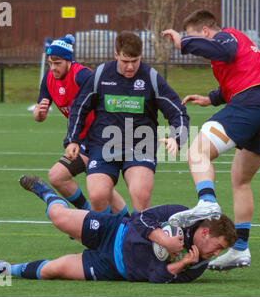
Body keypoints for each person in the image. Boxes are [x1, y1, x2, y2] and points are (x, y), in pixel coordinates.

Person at [161, 10, 260, 270]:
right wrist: (211, 98)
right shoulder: (239, 45)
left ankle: (206, 201)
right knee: (240, 181)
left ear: (206, 31)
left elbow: (225, 52)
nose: (201, 45)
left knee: (196, 151)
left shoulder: (227, 36)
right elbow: (240, 75)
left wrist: (183, 42)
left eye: (197, 37)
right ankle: (240, 249)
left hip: (250, 106)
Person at [0, 175, 236, 283]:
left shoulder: (197, 265)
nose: (215, 254)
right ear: (205, 233)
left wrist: (180, 265)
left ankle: (4, 269)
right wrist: (163, 241)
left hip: (111, 267)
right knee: (57, 216)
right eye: (219, 247)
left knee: (55, 269)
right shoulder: (182, 215)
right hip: (113, 231)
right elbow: (140, 218)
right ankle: (44, 191)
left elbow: (157, 279)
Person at [63, 31, 189, 213]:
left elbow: (177, 110)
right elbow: (79, 107)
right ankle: (110, 237)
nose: (130, 67)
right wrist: (72, 139)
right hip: (103, 144)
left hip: (140, 144)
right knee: (98, 196)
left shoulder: (151, 77)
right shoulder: (100, 74)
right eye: (125, 61)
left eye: (135, 61)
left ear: (141, 57)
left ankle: (138, 238)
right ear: (116, 55)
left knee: (141, 194)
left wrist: (177, 138)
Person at [34, 34, 126, 214]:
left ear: (69, 61)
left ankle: (123, 226)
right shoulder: (48, 79)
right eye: (50, 63)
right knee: (58, 176)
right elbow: (40, 116)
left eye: (58, 63)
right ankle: (87, 214)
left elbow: (108, 97)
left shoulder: (82, 75)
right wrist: (39, 113)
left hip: (102, 137)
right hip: (81, 139)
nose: (53, 67)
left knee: (100, 189)